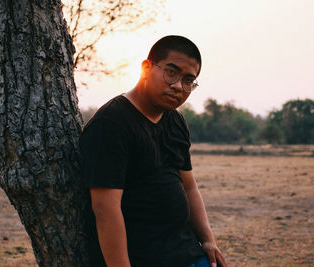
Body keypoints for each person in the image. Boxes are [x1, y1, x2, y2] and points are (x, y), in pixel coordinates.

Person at [79, 35, 228, 267]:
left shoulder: (175, 121)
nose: (179, 86)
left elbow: (188, 186)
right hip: (142, 258)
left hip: (185, 250)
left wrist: (208, 240)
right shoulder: (111, 124)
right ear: (146, 68)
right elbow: (105, 209)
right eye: (171, 72)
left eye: (189, 80)